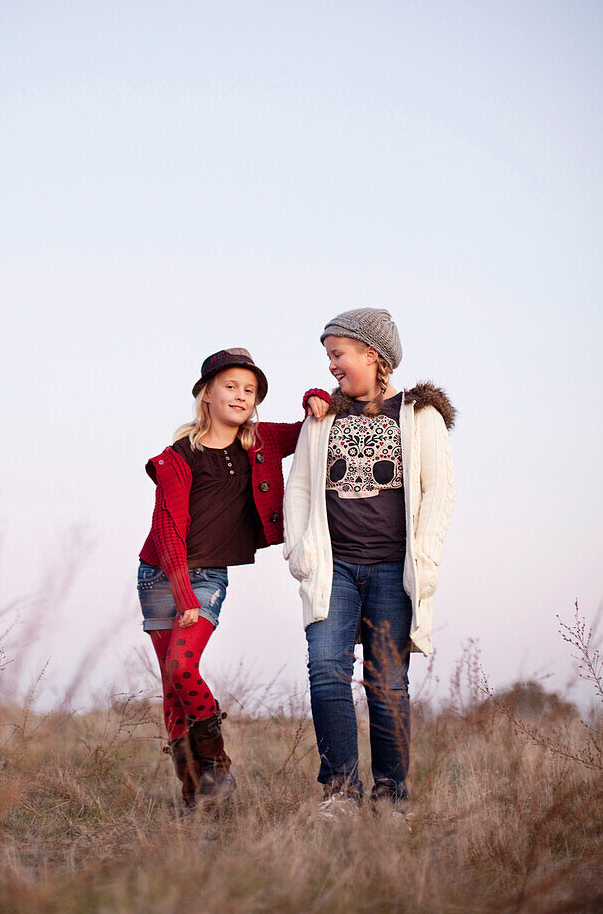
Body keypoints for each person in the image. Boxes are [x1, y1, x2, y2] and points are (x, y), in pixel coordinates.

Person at [138, 348, 329, 810]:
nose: (241, 396)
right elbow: (168, 528)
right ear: (206, 393)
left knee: (182, 668)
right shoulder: (178, 457)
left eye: (250, 390)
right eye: (231, 386)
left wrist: (316, 396)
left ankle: (218, 766)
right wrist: (181, 592)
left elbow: (309, 429)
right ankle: (194, 797)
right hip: (160, 574)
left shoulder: (259, 443)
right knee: (172, 686)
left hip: (207, 578)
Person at [283, 308, 455, 815]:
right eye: (328, 356)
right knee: (326, 671)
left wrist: (424, 558)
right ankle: (339, 795)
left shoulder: (419, 415)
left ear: (371, 355)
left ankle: (391, 798)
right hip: (333, 570)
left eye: (338, 354)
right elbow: (301, 487)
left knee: (387, 681)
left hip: (391, 571)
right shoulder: (323, 419)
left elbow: (439, 491)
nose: (331, 365)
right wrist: (300, 554)